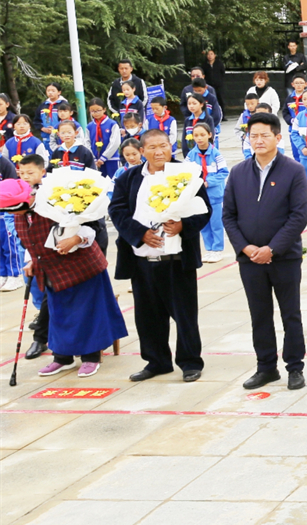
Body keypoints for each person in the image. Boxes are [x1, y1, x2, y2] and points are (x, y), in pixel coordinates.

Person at [110, 127, 211, 382]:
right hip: (142, 260)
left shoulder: (187, 175)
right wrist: (140, 233)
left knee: (184, 316)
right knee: (148, 317)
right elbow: (117, 211)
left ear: (171, 147)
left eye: (163, 146)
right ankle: (157, 362)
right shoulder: (128, 178)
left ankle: (190, 362)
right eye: (152, 147)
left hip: (176, 260)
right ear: (142, 151)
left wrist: (182, 226)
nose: (159, 152)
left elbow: (204, 211)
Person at [15, 154, 127, 378]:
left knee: (88, 312)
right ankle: (62, 358)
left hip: (82, 265)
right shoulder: (19, 208)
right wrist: (32, 260)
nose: (26, 177)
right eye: (22, 173)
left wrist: (75, 239)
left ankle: (91, 357)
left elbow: (92, 227)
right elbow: (30, 239)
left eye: (30, 173)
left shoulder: (59, 196)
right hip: (51, 269)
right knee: (58, 314)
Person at [222, 111, 307, 390]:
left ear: (277, 137)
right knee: (259, 314)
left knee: (290, 314)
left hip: (284, 258)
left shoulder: (293, 170)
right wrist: (246, 248)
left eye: (264, 135)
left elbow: (299, 216)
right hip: (250, 260)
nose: (258, 140)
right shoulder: (238, 172)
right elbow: (228, 216)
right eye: (253, 136)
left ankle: (294, 367)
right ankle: (266, 367)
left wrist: (272, 248)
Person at [183, 121, 230, 262]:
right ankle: (209, 249)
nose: (199, 138)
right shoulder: (191, 155)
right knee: (203, 224)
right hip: (198, 196)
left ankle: (217, 249)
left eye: (202, 135)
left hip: (214, 195)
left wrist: (208, 182)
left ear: (209, 135)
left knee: (216, 223)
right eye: (196, 135)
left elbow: (223, 172)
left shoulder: (216, 154)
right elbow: (185, 173)